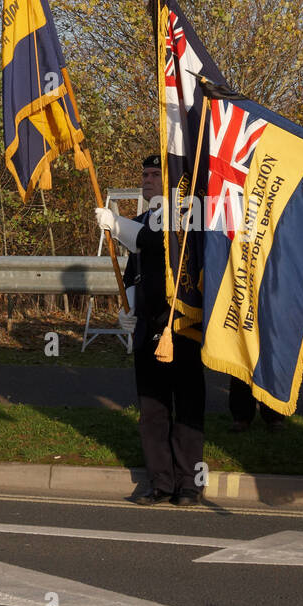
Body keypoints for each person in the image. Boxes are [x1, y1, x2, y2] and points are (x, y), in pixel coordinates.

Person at [95, 154, 205, 506]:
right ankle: (160, 481)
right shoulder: (142, 220)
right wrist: (127, 308)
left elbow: (155, 244)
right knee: (152, 410)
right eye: (144, 174)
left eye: (156, 174)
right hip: (148, 328)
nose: (147, 180)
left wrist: (117, 224)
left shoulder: (188, 219)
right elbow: (135, 270)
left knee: (187, 407)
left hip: (183, 329)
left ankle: (188, 483)